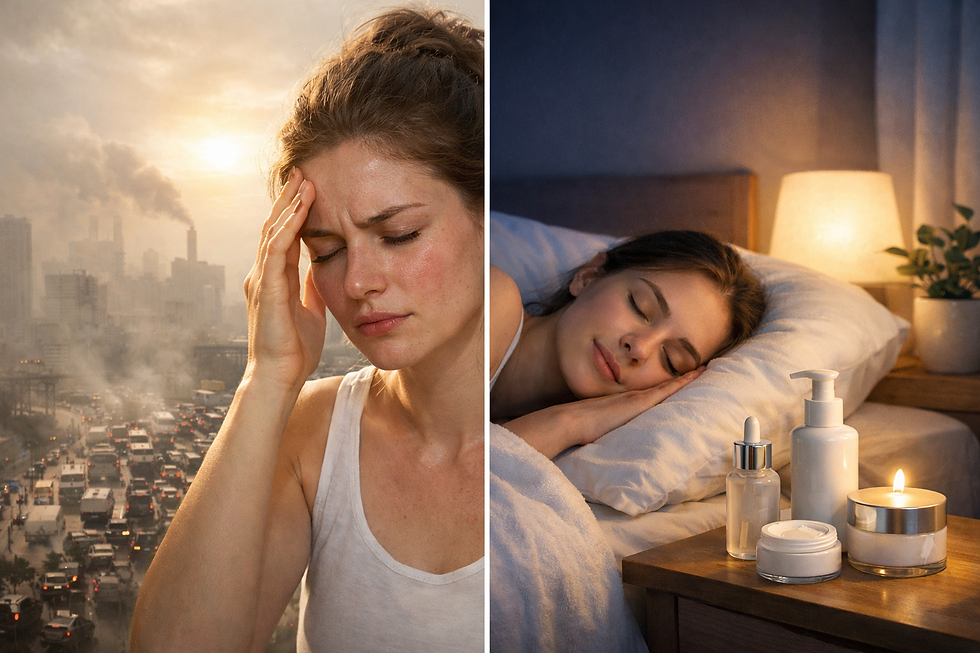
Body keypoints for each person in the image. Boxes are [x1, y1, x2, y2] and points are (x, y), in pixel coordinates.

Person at [131, 8, 484, 652]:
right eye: (325, 251)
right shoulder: (319, 432)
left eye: (398, 234)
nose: (357, 282)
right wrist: (266, 378)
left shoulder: (568, 435)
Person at [490, 230, 767, 458]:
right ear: (589, 276)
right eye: (640, 307)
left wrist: (568, 423)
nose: (640, 348)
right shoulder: (491, 301)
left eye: (671, 360)